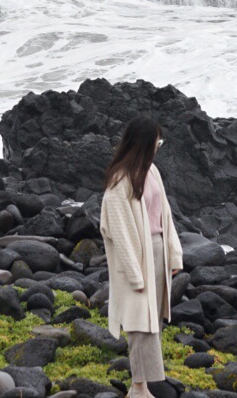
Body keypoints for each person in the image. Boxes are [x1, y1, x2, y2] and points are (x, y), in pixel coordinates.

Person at [99, 115, 184, 398]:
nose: (159, 147)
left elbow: (165, 215)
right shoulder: (119, 181)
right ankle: (138, 387)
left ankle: (143, 385)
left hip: (156, 250)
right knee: (138, 322)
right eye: (157, 142)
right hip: (136, 257)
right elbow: (119, 233)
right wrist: (135, 274)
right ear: (145, 144)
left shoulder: (152, 171)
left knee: (153, 320)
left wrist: (173, 255)